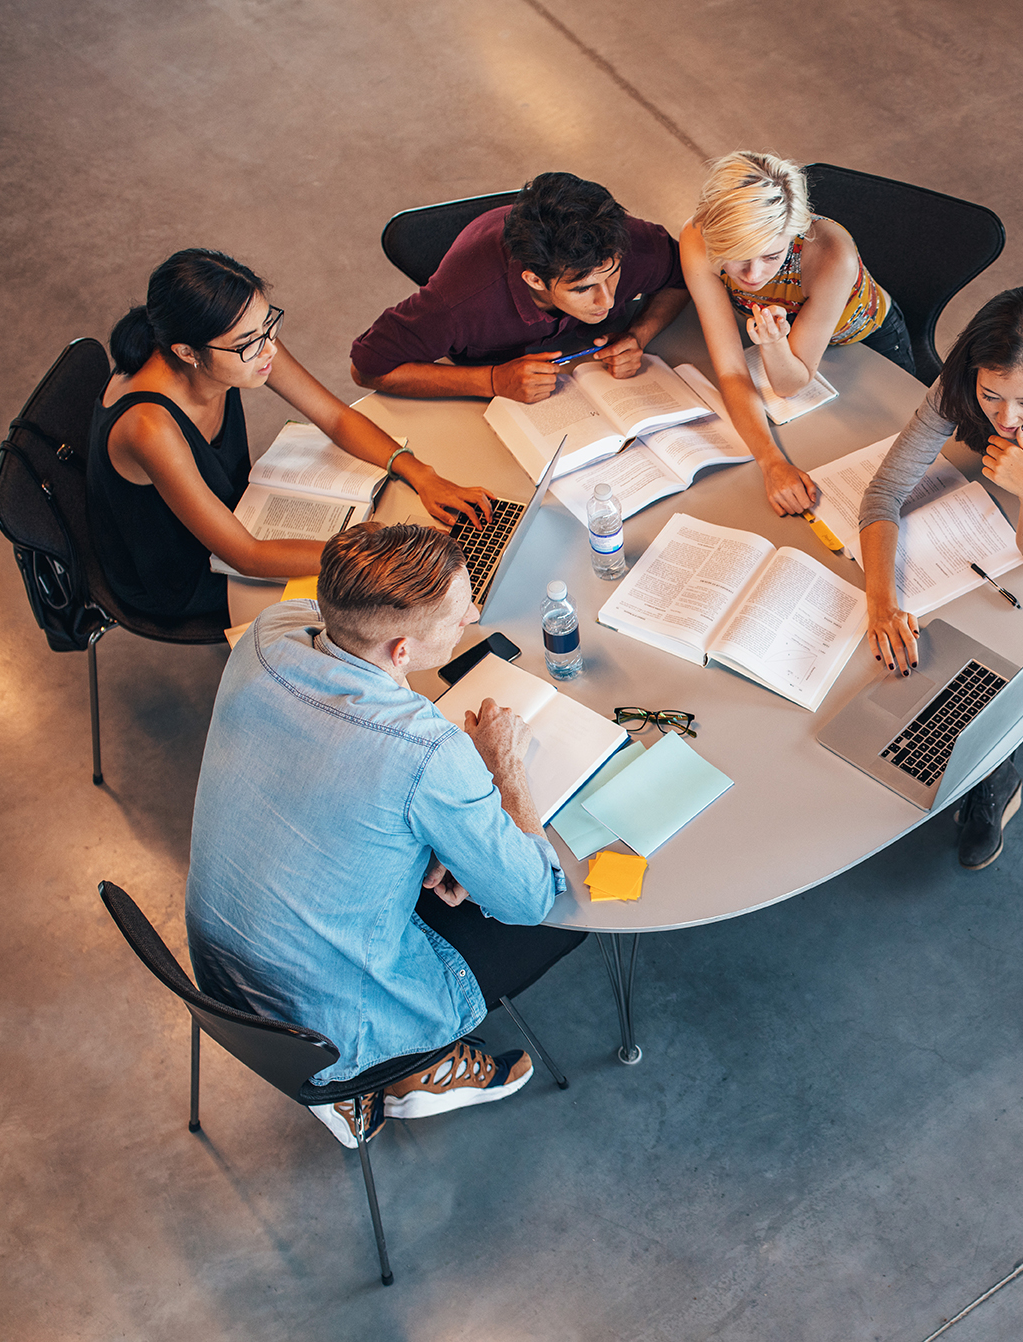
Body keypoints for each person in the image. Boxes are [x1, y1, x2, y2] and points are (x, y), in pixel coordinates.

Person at [186, 522, 587, 1147]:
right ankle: (409, 1065)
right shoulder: (428, 752)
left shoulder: (270, 633)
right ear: (401, 652)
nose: (474, 614)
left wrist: (425, 840)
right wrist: (501, 765)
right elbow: (530, 897)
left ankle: (382, 1071)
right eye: (460, 614)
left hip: (221, 973)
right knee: (572, 920)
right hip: (326, 1022)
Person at [857, 287, 1023, 869]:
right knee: (923, 622)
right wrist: (881, 602)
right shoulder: (957, 389)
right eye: (991, 397)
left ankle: (991, 773)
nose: (1006, 419)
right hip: (986, 514)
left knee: (994, 650)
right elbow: (882, 494)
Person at [90, 249, 494, 621]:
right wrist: (371, 550)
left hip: (233, 511)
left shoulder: (241, 339)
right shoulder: (149, 428)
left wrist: (420, 473)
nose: (268, 350)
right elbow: (245, 555)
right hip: (184, 568)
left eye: (268, 326)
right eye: (249, 343)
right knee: (374, 608)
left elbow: (333, 417)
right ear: (187, 352)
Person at [679, 150, 917, 516]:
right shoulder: (697, 240)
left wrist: (774, 345)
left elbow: (790, 384)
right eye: (739, 256)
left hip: (866, 341)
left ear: (795, 231)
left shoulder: (831, 254)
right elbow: (730, 369)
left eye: (772, 257)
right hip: (784, 337)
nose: (754, 275)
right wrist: (771, 462)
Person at [350, 171, 691, 402]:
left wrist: (638, 335)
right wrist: (492, 381)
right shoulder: (460, 300)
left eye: (613, 274)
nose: (608, 299)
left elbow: (682, 277)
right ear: (534, 280)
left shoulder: (628, 243)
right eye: (582, 288)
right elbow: (367, 368)